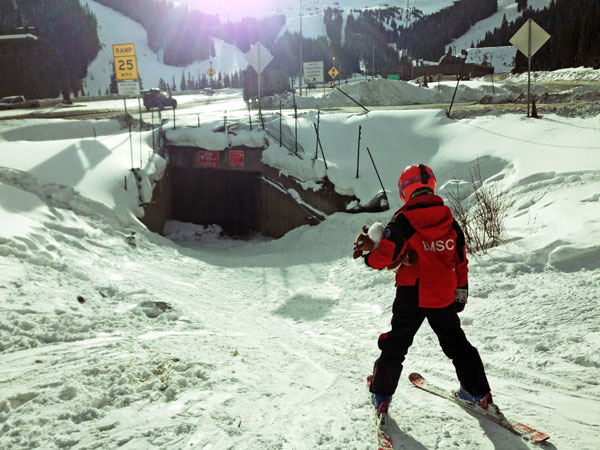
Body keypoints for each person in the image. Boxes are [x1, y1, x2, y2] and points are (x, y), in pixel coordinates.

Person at [353, 163, 494, 417]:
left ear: (405, 190)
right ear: (431, 186)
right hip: (443, 293)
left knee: (397, 343)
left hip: (412, 293)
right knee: (456, 343)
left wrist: (367, 258)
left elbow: (386, 253)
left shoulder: (404, 219)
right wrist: (460, 293)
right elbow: (460, 260)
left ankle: (382, 395)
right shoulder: (449, 219)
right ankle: (478, 392)